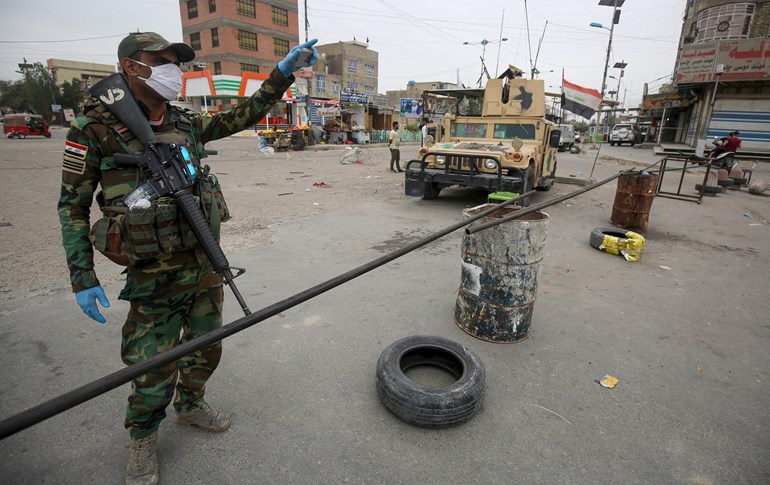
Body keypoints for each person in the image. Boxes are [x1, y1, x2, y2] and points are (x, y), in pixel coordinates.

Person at [57, 31, 318, 485]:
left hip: (203, 265)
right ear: (130, 67)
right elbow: (72, 208)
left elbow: (245, 113)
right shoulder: (93, 128)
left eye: (175, 62)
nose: (171, 70)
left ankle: (191, 404)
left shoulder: (185, 121)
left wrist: (282, 73)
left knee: (206, 346)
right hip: (153, 273)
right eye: (160, 61)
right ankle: (142, 438)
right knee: (152, 363)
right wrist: (83, 275)